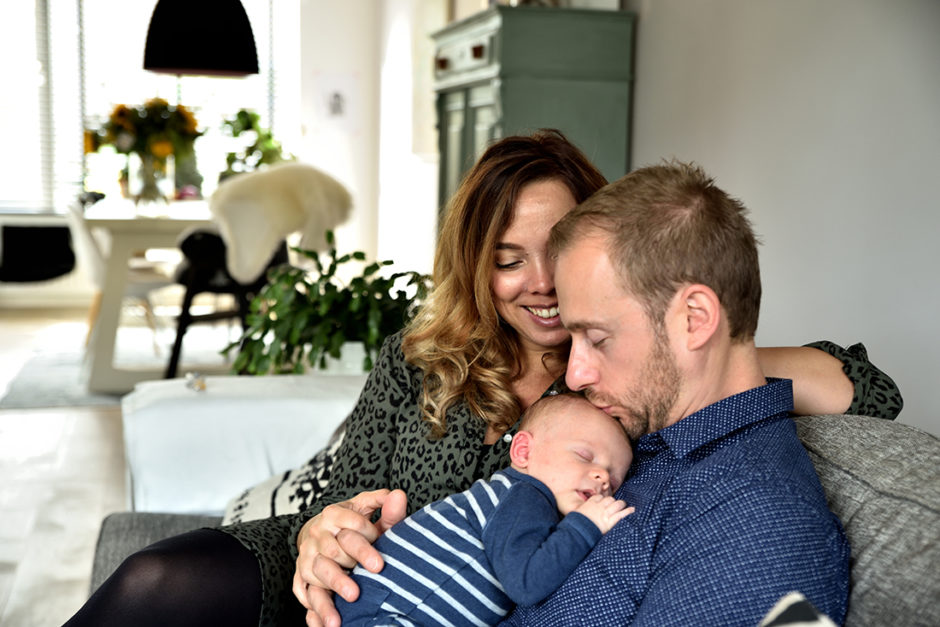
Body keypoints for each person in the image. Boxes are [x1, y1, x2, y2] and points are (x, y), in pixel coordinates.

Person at [61, 131, 901, 627]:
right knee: (153, 580)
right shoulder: (429, 361)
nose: (539, 286)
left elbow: (855, 384)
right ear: (476, 265)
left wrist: (732, 355)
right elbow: (350, 494)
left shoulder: (644, 412)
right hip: (364, 581)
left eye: (588, 324)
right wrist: (323, 532)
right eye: (507, 260)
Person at [503, 160, 852, 625]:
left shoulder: (754, 519)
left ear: (694, 319)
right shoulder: (640, 440)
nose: (574, 376)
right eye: (574, 339)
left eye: (598, 339)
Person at [336, 392, 634, 626]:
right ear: (523, 452)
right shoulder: (525, 497)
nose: (603, 477)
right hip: (388, 615)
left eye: (614, 477)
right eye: (585, 456)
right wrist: (586, 526)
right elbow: (527, 583)